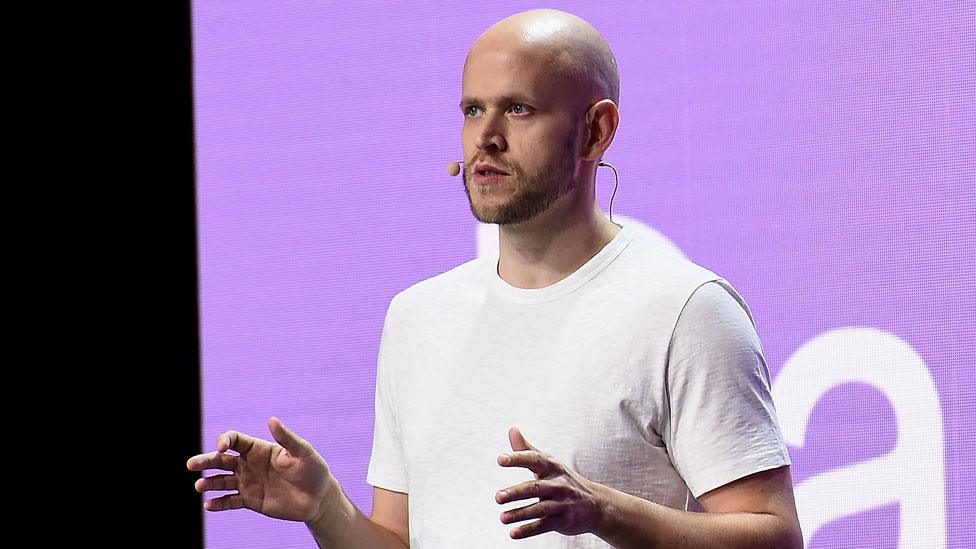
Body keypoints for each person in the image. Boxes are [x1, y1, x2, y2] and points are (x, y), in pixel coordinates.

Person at [187, 9, 802, 548]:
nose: (487, 138)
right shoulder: (417, 317)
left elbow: (773, 536)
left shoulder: (685, 309)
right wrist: (326, 510)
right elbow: (399, 541)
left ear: (597, 130)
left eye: (519, 108)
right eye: (473, 109)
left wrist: (605, 512)